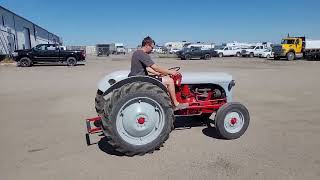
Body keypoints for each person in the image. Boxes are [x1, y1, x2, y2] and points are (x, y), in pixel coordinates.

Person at [128, 36, 188, 110]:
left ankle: (169, 99)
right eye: (152, 47)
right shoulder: (142, 54)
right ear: (147, 45)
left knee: (164, 79)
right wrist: (170, 72)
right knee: (170, 81)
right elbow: (155, 67)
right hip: (141, 79)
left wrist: (157, 73)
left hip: (138, 77)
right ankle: (176, 104)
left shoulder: (137, 53)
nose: (152, 49)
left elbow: (147, 68)